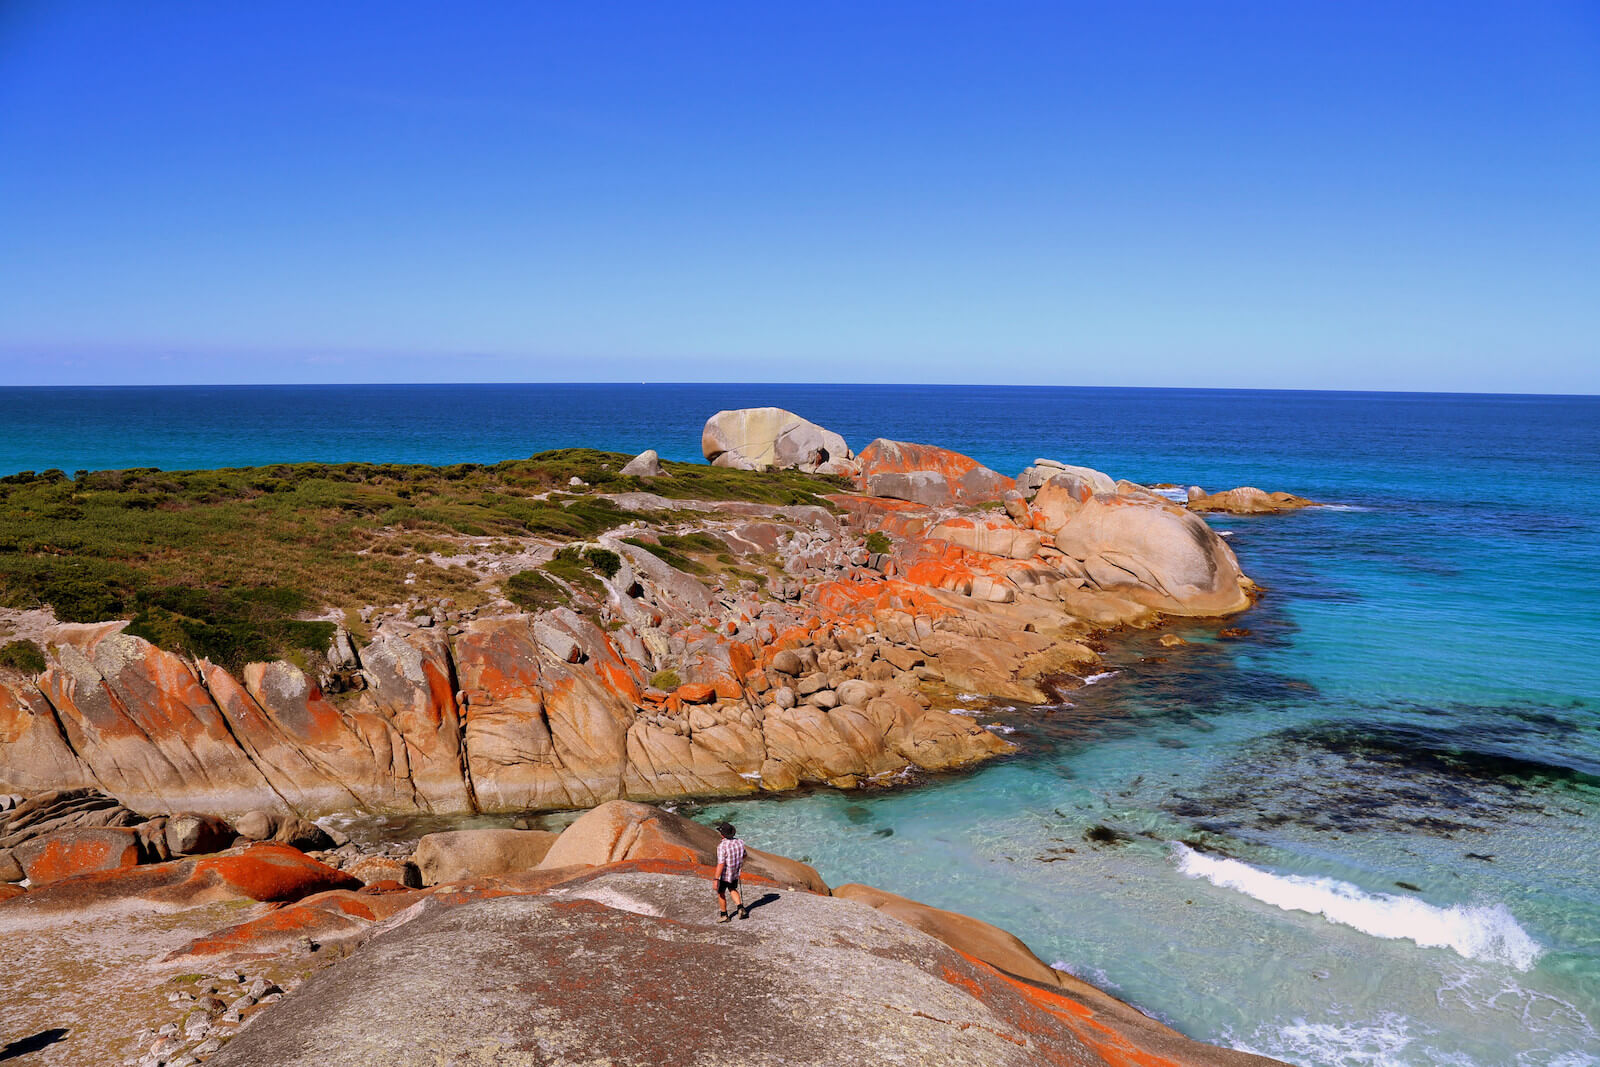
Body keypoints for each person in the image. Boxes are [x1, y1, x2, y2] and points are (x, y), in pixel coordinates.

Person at [713, 821, 747, 922]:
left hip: (725, 875)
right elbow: (744, 855)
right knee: (732, 888)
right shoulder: (740, 842)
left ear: (722, 834)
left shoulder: (722, 847)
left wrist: (716, 879)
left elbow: (721, 864)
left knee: (721, 893)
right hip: (735, 872)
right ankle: (740, 908)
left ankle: (724, 915)